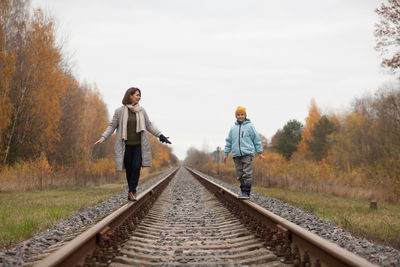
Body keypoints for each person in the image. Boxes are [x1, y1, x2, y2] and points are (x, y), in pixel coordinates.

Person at [95, 87, 171, 201]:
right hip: (125, 146)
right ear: (130, 96)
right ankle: (132, 190)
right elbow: (112, 125)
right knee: (129, 169)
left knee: (136, 167)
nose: (139, 97)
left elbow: (149, 125)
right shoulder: (119, 111)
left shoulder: (142, 110)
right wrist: (104, 137)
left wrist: (160, 135)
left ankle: (131, 191)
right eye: (137, 95)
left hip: (138, 145)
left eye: (139, 95)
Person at [224, 106, 264, 199]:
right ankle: (243, 192)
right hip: (236, 154)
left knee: (247, 174)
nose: (240, 116)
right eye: (238, 114)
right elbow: (229, 141)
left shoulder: (250, 126)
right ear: (236, 116)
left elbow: (256, 139)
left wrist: (260, 152)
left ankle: (246, 193)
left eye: (242, 114)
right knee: (240, 175)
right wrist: (226, 153)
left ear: (245, 115)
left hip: (247, 153)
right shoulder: (233, 128)